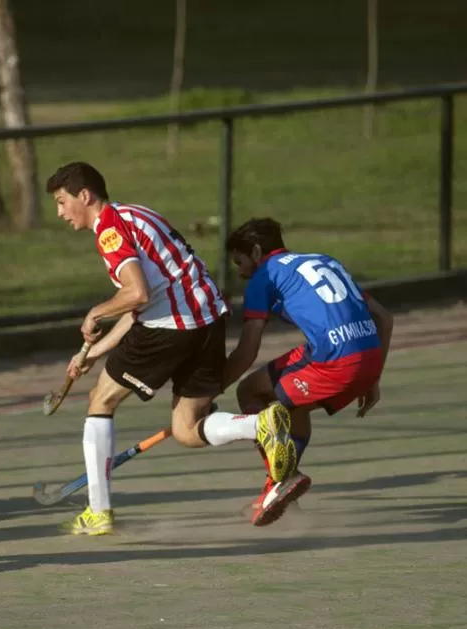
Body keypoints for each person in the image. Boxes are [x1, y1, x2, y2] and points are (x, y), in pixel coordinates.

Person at [47, 161, 296, 536]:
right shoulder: (137, 213)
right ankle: (258, 424)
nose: (60, 212)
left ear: (85, 196)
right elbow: (148, 298)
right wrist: (96, 352)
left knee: (100, 400)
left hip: (171, 328)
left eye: (62, 201)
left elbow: (137, 294)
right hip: (208, 320)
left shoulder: (110, 232)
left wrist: (95, 313)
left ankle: (98, 512)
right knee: (186, 429)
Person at [221, 217, 393, 526]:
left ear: (257, 252)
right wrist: (374, 375)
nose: (240, 271)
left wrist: (210, 386)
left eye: (240, 261)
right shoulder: (324, 260)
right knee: (290, 405)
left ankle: (282, 481)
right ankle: (279, 487)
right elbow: (383, 317)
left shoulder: (264, 276)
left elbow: (248, 351)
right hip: (368, 356)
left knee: (248, 390)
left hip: (336, 362)